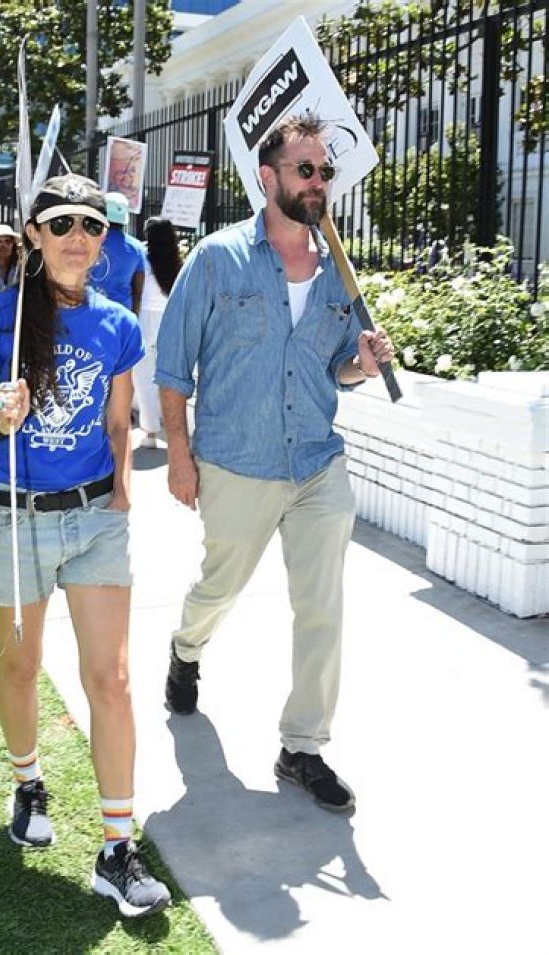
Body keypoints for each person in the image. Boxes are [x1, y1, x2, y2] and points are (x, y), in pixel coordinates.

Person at [155, 112, 396, 814]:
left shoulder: (337, 276)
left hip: (318, 462)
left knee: (321, 604)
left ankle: (303, 745)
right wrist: (178, 453)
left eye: (325, 171)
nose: (320, 182)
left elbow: (339, 369)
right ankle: (186, 648)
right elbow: (172, 368)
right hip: (237, 461)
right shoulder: (218, 259)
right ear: (269, 178)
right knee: (219, 588)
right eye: (306, 170)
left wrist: (364, 359)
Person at [0, 173, 170, 918]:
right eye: (62, 224)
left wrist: (124, 486)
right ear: (36, 236)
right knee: (20, 663)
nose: (78, 238)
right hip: (12, 516)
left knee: (109, 677)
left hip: (92, 518)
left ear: (103, 239)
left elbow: (121, 418)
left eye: (92, 225)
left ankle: (117, 846)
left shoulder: (116, 324)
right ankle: (29, 782)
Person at [134, 217, 182, 448]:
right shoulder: (176, 258)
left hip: (144, 318)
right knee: (169, 376)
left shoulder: (140, 254)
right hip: (168, 318)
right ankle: (172, 428)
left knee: (143, 378)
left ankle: (150, 431)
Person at [89, 191, 145, 315]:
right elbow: (138, 290)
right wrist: (134, 317)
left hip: (89, 309)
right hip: (121, 313)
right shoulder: (137, 248)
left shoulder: (90, 241)